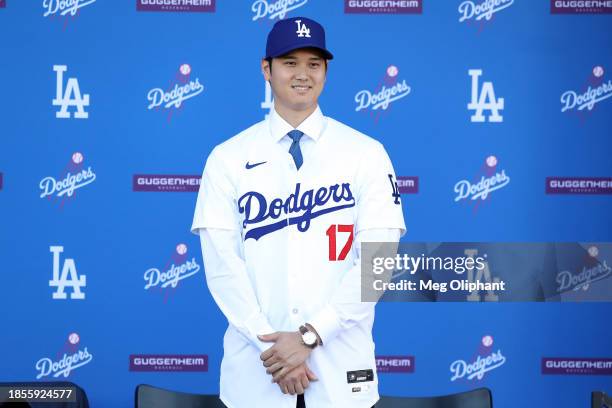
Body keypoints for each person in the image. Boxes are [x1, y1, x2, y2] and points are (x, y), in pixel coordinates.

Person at [192, 16, 405, 408]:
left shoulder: (366, 153)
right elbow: (223, 267)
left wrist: (310, 336)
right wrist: (276, 350)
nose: (302, 74)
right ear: (266, 69)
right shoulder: (228, 158)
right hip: (258, 374)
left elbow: (377, 263)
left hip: (342, 374)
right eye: (290, 62)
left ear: (326, 72)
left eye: (314, 63)